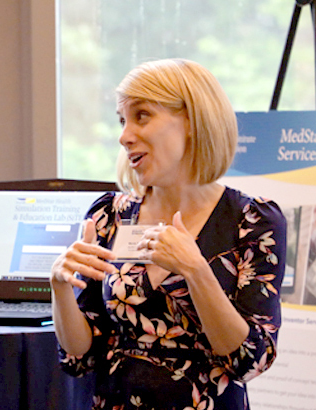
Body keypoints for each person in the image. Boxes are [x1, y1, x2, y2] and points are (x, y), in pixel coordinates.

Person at [50, 58, 286, 410]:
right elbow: (82, 354)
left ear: (191, 120)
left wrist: (195, 270)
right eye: (122, 120)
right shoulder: (108, 216)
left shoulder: (253, 221)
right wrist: (60, 288)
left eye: (142, 115)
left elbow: (249, 361)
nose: (124, 135)